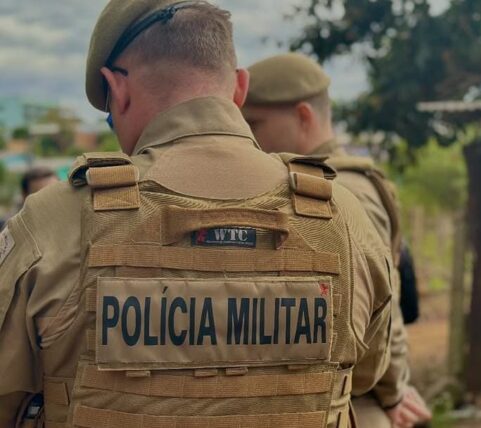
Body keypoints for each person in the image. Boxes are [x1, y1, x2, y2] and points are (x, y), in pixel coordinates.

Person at [0, 2, 395, 427]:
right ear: (239, 88)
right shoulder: (342, 218)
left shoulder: (55, 222)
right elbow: (367, 374)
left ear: (118, 89)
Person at [242, 53, 431, 428]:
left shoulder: (343, 190)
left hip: (354, 396)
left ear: (303, 116)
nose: (248, 136)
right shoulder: (298, 181)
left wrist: (394, 393)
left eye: (255, 124)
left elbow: (383, 302)